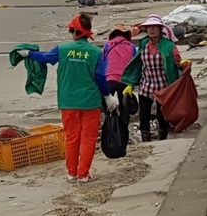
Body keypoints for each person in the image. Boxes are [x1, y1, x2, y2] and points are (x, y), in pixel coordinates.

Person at [17, 13, 119, 183]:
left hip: (68, 102)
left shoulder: (62, 49)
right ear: (88, 32)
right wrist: (108, 97)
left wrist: (28, 54)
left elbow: (44, 58)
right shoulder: (96, 52)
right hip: (90, 102)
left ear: (73, 31)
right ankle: (83, 174)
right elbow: (101, 77)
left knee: (72, 137)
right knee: (88, 139)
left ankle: (72, 173)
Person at [121, 15, 191, 142]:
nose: (152, 30)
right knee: (144, 115)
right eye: (149, 27)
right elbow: (138, 65)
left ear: (160, 29)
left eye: (154, 27)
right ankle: (145, 139)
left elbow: (177, 60)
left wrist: (182, 63)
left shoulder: (169, 45)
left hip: (163, 86)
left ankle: (162, 139)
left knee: (162, 115)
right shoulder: (143, 44)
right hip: (146, 85)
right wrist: (131, 84)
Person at [102, 24, 138, 148]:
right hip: (125, 80)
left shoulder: (107, 45)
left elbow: (103, 61)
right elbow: (134, 63)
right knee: (125, 108)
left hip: (110, 79)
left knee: (107, 107)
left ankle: (109, 129)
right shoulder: (132, 47)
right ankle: (124, 134)